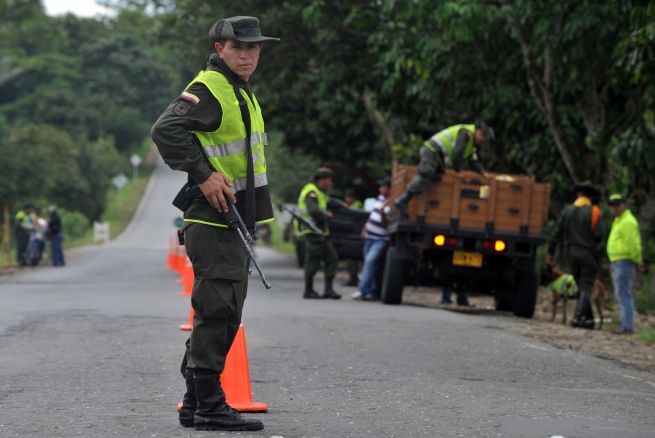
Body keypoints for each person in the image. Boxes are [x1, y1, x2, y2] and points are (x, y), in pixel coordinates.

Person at [151, 16, 279, 432]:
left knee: (221, 311)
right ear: (219, 48)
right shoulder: (211, 87)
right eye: (238, 47)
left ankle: (195, 402)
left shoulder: (240, 90)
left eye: (254, 47)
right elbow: (166, 129)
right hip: (216, 218)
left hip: (234, 219)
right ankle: (209, 405)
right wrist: (204, 175)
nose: (247, 54)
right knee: (218, 312)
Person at [395, 123, 495, 214]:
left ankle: (429, 206)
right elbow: (457, 153)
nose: (482, 143)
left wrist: (483, 173)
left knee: (438, 177)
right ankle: (403, 200)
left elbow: (473, 161)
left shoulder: (472, 145)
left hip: (439, 157)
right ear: (479, 133)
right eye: (483, 140)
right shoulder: (466, 133)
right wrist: (457, 170)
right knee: (427, 172)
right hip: (432, 150)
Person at [547, 181, 605, 329]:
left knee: (580, 285)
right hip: (588, 254)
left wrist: (551, 253)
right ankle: (578, 316)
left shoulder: (567, 211)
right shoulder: (594, 212)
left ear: (578, 195)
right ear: (591, 197)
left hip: (571, 255)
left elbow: (556, 233)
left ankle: (589, 320)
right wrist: (597, 256)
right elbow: (600, 237)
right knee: (586, 285)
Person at [297, 167, 341, 299]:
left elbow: (328, 202)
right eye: (328, 180)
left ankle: (328, 289)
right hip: (312, 232)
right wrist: (326, 215)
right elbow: (314, 211)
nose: (330, 183)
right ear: (321, 180)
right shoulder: (312, 192)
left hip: (320, 233)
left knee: (332, 258)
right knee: (312, 262)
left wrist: (341, 204)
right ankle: (308, 290)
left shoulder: (320, 193)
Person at [607, 194, 644, 334]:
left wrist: (637, 260)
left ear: (624, 205)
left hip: (624, 261)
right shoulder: (619, 220)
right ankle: (626, 325)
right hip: (618, 261)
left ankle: (627, 327)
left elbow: (633, 244)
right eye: (612, 205)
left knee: (624, 294)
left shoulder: (627, 221)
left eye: (617, 205)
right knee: (622, 294)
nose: (614, 208)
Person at [352, 177, 391, 301]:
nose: (380, 189)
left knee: (369, 261)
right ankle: (372, 291)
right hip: (370, 237)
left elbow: (388, 226)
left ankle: (361, 290)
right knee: (370, 264)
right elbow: (371, 216)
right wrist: (365, 228)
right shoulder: (379, 198)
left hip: (381, 239)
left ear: (389, 188)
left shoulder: (393, 203)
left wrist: (383, 213)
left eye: (383, 187)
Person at [343, 188, 362, 286]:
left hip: (356, 236)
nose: (347, 199)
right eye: (346, 197)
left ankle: (353, 278)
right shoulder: (348, 205)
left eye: (349, 197)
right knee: (349, 260)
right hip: (349, 236)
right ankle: (352, 278)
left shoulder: (357, 205)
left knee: (354, 260)